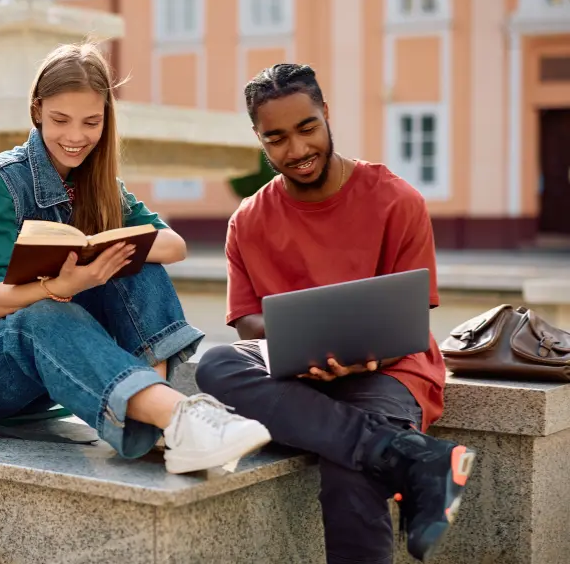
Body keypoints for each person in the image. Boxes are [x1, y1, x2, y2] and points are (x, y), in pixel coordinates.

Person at [0, 43, 271, 475]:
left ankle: (163, 429)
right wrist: (63, 285)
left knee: (137, 259)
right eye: (60, 120)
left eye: (91, 122)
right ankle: (179, 417)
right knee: (43, 313)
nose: (76, 137)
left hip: (49, 375)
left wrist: (100, 245)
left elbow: (175, 245)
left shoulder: (99, 184)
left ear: (106, 117)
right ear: (37, 111)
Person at [195, 64, 476, 563]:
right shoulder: (248, 220)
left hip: (390, 369)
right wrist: (309, 349)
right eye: (276, 138)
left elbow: (410, 315)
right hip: (299, 375)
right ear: (259, 139)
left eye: (307, 129)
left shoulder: (397, 201)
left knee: (349, 473)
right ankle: (407, 457)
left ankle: (387, 454)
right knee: (217, 364)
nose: (297, 150)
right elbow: (247, 325)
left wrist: (362, 353)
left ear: (326, 114)